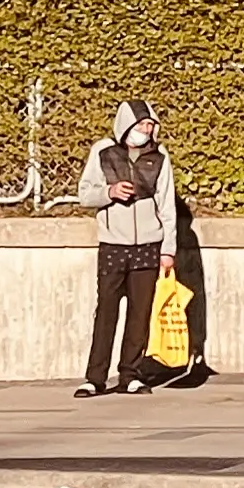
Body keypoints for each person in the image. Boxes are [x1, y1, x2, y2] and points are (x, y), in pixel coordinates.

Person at [76, 98, 181, 397]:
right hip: (113, 244)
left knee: (140, 313)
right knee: (106, 311)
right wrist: (109, 192)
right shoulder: (102, 151)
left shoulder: (160, 157)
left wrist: (168, 249)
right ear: (127, 125)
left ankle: (130, 374)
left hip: (148, 243)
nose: (146, 131)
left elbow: (167, 204)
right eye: (142, 125)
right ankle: (95, 377)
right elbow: (85, 194)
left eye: (150, 126)